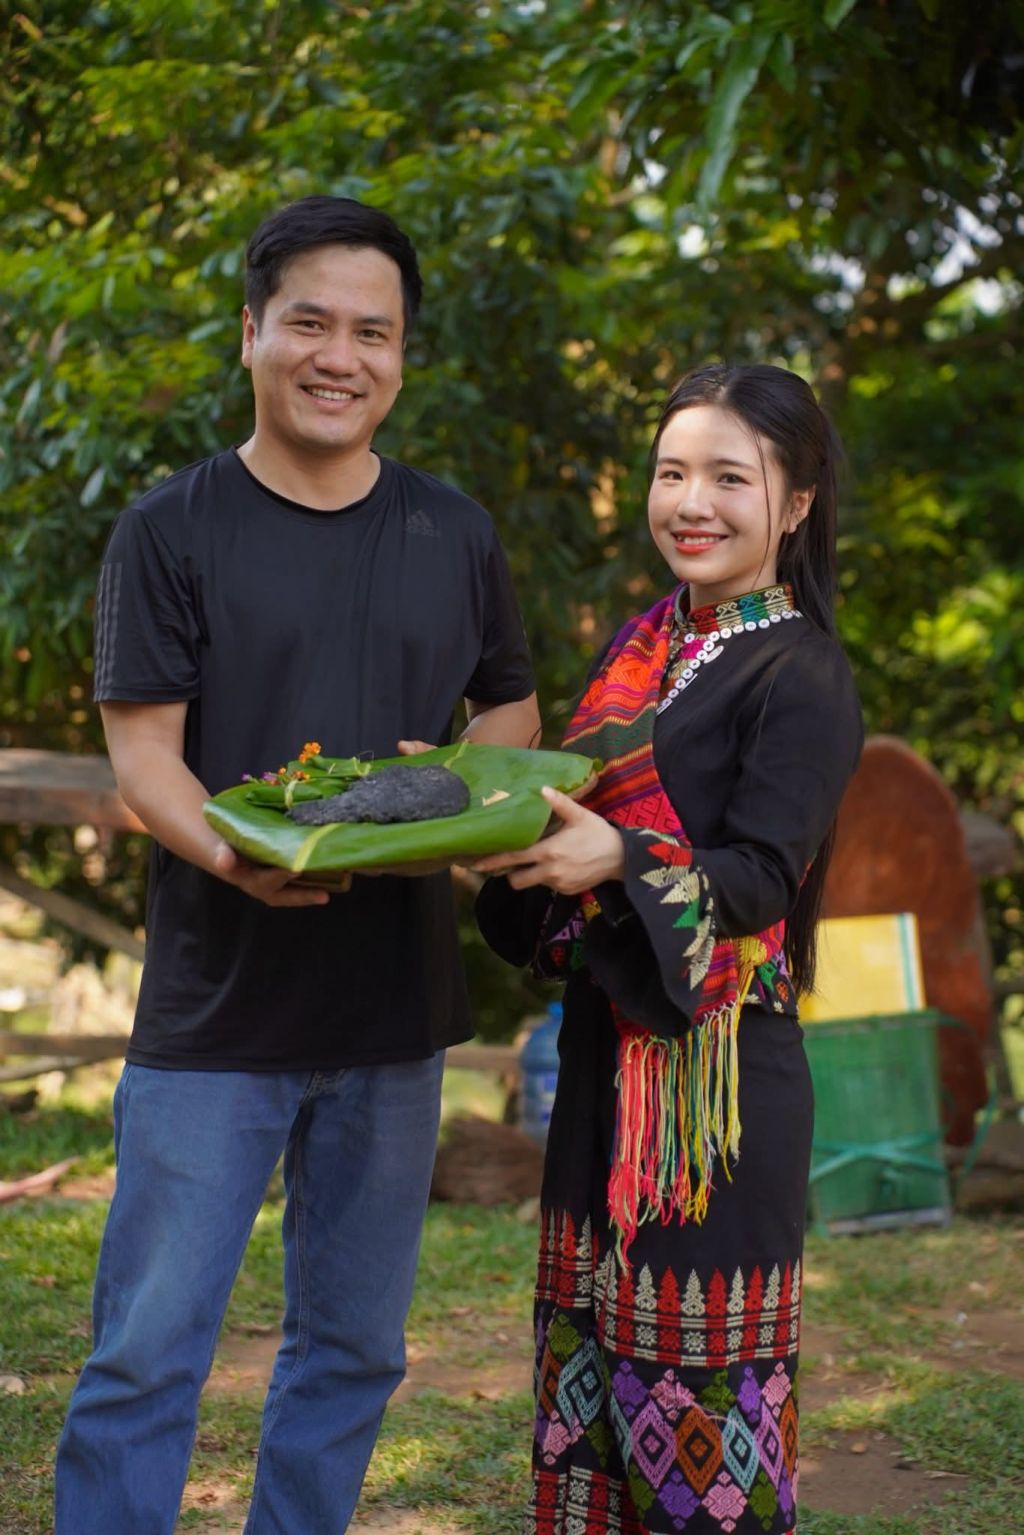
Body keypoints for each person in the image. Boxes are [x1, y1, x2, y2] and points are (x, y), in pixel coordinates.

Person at [55, 195, 540, 1535]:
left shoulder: (456, 531)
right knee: (148, 1352)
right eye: (312, 321)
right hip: (216, 1013)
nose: (342, 355)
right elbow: (145, 759)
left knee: (354, 1350)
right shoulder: (169, 527)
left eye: (373, 331)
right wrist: (238, 851)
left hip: (394, 1016)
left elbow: (507, 720)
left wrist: (456, 788)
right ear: (253, 332)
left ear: (401, 356)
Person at [475, 364, 863, 1535]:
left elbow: (755, 878)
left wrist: (617, 863)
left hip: (716, 1093)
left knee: (698, 1410)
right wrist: (478, 810)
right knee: (593, 1385)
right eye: (671, 471)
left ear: (793, 504)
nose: (690, 501)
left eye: (728, 478)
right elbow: (572, 815)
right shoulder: (644, 643)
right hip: (605, 1052)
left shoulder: (803, 672)